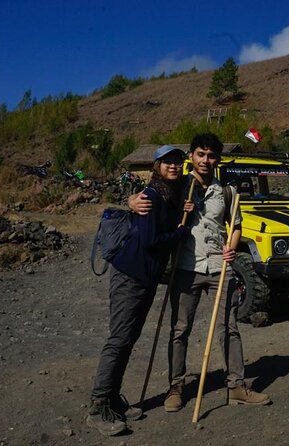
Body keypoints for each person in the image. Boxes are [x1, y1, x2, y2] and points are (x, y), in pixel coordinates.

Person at [132, 133, 271, 412]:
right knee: (179, 329)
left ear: (216, 159)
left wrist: (232, 248)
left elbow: (237, 225)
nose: (205, 160)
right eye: (200, 154)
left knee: (229, 328)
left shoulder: (228, 192)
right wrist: (130, 200)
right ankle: (176, 386)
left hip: (220, 268)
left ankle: (236, 386)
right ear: (192, 157)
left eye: (210, 155)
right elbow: (149, 195)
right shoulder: (177, 186)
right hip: (186, 267)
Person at [86, 145, 190, 437]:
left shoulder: (171, 193)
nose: (174, 165)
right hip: (130, 274)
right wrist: (179, 234)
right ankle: (97, 406)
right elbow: (150, 240)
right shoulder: (152, 196)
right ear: (156, 166)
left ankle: (113, 399)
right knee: (119, 338)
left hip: (144, 276)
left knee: (128, 338)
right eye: (167, 162)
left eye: (177, 161)